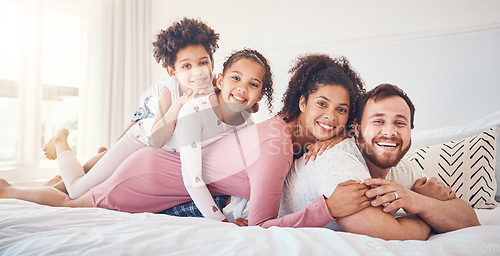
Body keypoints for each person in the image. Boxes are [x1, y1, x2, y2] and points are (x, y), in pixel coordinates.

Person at [0, 54, 367, 229]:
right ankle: (29, 175)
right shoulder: (276, 144)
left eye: (341, 111)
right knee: (71, 201)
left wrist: (343, 133)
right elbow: (261, 229)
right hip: (151, 175)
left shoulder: (274, 124)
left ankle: (67, 160)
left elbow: (339, 127)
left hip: (161, 169)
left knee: (76, 194)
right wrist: (327, 208)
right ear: (302, 102)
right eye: (322, 105)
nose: (330, 118)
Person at [42, 17, 219, 199]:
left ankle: (65, 176)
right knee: (77, 190)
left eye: (203, 62)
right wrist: (178, 104)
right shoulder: (170, 89)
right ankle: (60, 141)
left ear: (212, 63)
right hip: (140, 140)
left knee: (98, 167)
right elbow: (156, 140)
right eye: (186, 66)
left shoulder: (217, 89)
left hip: (155, 150)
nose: (197, 71)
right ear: (172, 71)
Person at [280, 83, 479, 240]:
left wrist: (416, 200)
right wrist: (427, 210)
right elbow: (394, 235)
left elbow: (469, 220)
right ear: (356, 128)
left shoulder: (403, 168)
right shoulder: (337, 161)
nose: (390, 132)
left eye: (400, 123)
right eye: (378, 121)